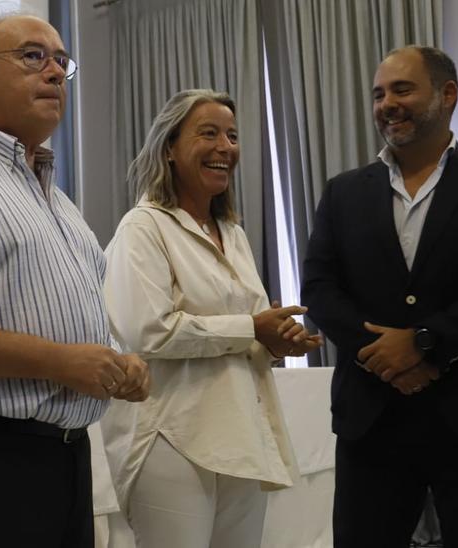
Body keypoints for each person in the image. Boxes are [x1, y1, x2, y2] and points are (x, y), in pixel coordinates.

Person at [301, 45, 458, 548]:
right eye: (378, 94)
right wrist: (382, 355)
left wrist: (425, 342)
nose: (386, 104)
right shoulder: (343, 192)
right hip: (373, 416)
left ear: (447, 95)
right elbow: (320, 287)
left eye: (402, 89)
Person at [0, 8, 150, 548]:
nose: (54, 72)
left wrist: (114, 359)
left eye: (61, 61)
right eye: (33, 57)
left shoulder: (60, 202)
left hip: (67, 455)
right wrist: (62, 364)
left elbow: (77, 314)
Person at [98, 89, 321, 548]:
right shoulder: (143, 228)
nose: (226, 147)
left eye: (233, 135)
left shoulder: (233, 234)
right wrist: (250, 330)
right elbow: (150, 331)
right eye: (209, 133)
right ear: (169, 149)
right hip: (170, 437)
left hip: (239, 433)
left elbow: (253, 325)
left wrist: (276, 340)